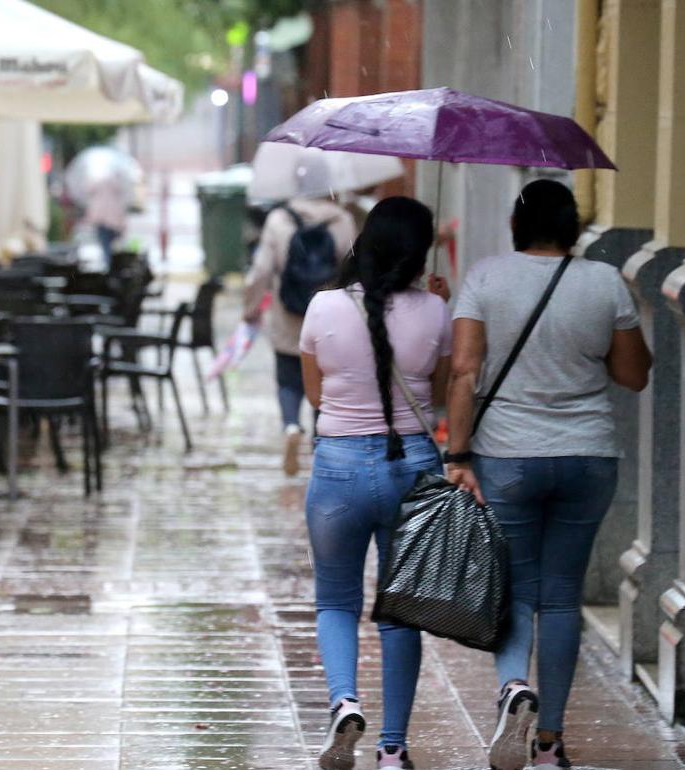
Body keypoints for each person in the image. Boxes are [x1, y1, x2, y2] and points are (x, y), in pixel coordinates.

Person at [443, 179, 652, 770]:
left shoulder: (485, 277)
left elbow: (463, 371)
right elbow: (635, 374)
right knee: (562, 599)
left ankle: (513, 686)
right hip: (588, 456)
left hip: (507, 456)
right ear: (572, 225)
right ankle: (550, 741)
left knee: (514, 590)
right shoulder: (604, 281)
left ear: (517, 222)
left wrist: (457, 455)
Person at [300, 196, 452, 770]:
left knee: (335, 601)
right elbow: (436, 393)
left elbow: (317, 396)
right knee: (401, 610)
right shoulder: (436, 311)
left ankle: (343, 702)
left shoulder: (322, 308)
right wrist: (435, 307)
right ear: (418, 253)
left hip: (337, 466)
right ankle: (393, 747)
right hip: (412, 465)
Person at [243, 161, 355, 476]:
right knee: (327, 381)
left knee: (289, 378)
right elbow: (353, 271)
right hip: (330, 317)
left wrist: (250, 307)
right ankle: (322, 443)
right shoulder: (342, 220)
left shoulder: (279, 220)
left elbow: (261, 271)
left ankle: (291, 427)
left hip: (287, 315)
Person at [82, 174, 128, 271]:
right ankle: (110, 264)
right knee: (109, 245)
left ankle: (107, 264)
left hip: (102, 222)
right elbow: (120, 211)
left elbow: (94, 209)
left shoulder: (97, 190)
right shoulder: (116, 192)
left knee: (105, 244)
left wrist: (92, 219)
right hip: (113, 224)